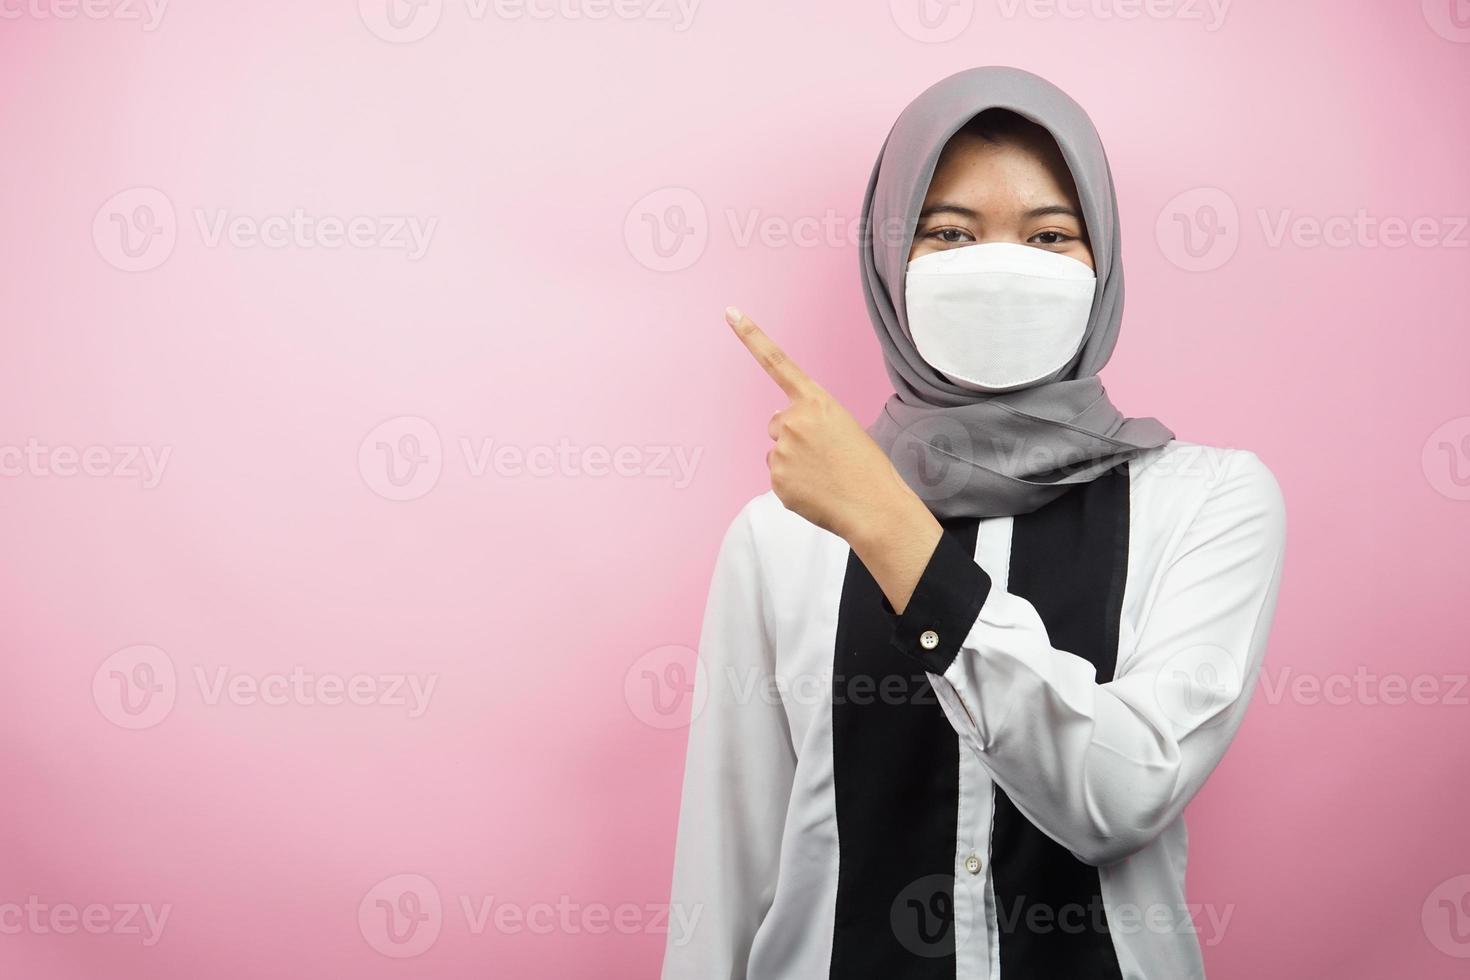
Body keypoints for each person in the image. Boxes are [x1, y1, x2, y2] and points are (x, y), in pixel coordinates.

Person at [660, 66, 1286, 980]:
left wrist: (887, 522)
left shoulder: (1207, 501)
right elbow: (726, 872)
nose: (1001, 269)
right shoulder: (781, 535)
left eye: (1049, 235)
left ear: (1102, 261)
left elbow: (1120, 795)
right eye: (950, 233)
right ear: (888, 260)